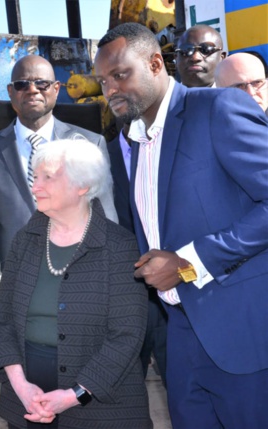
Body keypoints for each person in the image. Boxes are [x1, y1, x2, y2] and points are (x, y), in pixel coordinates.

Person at [95, 22, 268, 428]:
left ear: (156, 63)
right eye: (103, 81)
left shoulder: (219, 109)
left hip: (243, 336)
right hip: (181, 337)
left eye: (120, 75)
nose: (110, 90)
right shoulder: (136, 141)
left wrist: (189, 262)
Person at [0, 139, 151, 429]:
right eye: (35, 178)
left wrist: (75, 394)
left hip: (101, 409)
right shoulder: (25, 241)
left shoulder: (120, 246)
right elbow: (2, 322)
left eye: (48, 178)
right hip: (27, 404)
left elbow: (126, 336)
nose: (35, 187)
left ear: (82, 185)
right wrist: (21, 386)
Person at [0, 54, 117, 267]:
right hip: (16, 283)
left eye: (42, 84)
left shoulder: (90, 144)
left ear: (56, 89)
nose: (32, 90)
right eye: (22, 84)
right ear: (10, 92)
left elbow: (106, 219)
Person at [107, 122, 168, 385]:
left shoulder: (180, 149)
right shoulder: (97, 156)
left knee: (188, 397)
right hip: (121, 298)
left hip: (180, 296)